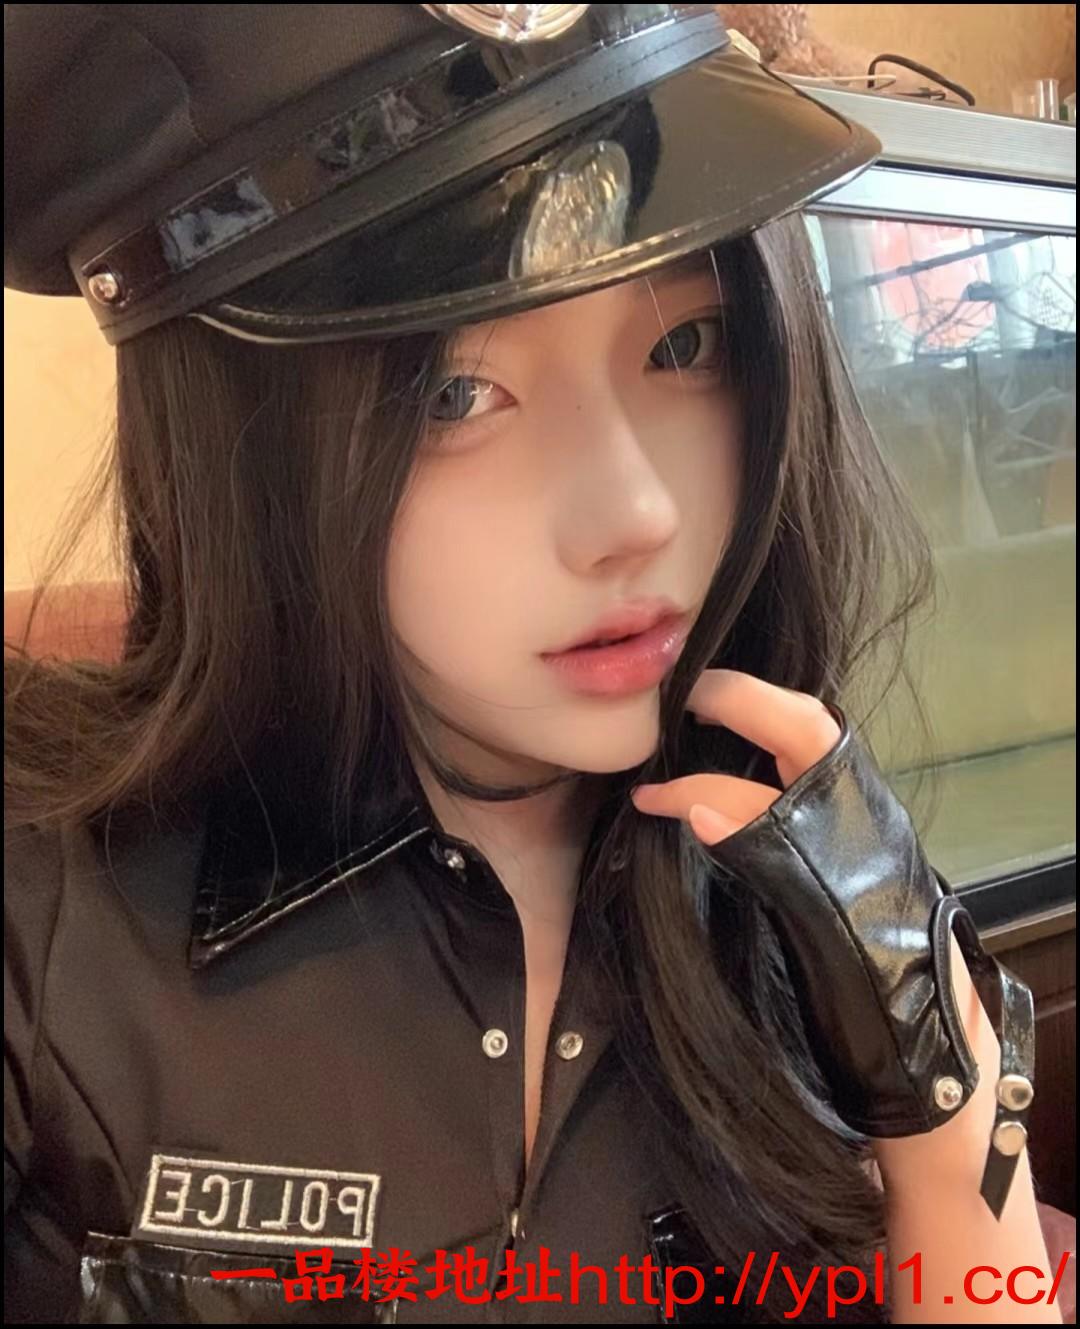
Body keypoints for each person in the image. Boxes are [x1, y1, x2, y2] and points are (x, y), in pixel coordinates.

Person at [4, 5, 1056, 1325]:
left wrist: (936, 1082)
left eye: (684, 346)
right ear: (240, 451)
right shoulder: (46, 916)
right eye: (455, 395)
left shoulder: (794, 858)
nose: (638, 513)